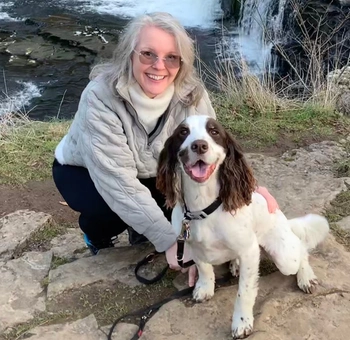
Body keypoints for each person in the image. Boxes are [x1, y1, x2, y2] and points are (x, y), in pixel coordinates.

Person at [52, 11, 279, 287]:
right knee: (107, 207)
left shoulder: (192, 94)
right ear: (130, 54)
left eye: (171, 57)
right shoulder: (100, 97)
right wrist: (172, 242)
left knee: (183, 201)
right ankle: (97, 235)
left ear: (181, 62)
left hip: (152, 171)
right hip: (86, 172)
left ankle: (141, 227)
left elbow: (216, 154)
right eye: (148, 54)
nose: (159, 66)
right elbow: (117, 182)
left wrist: (251, 188)